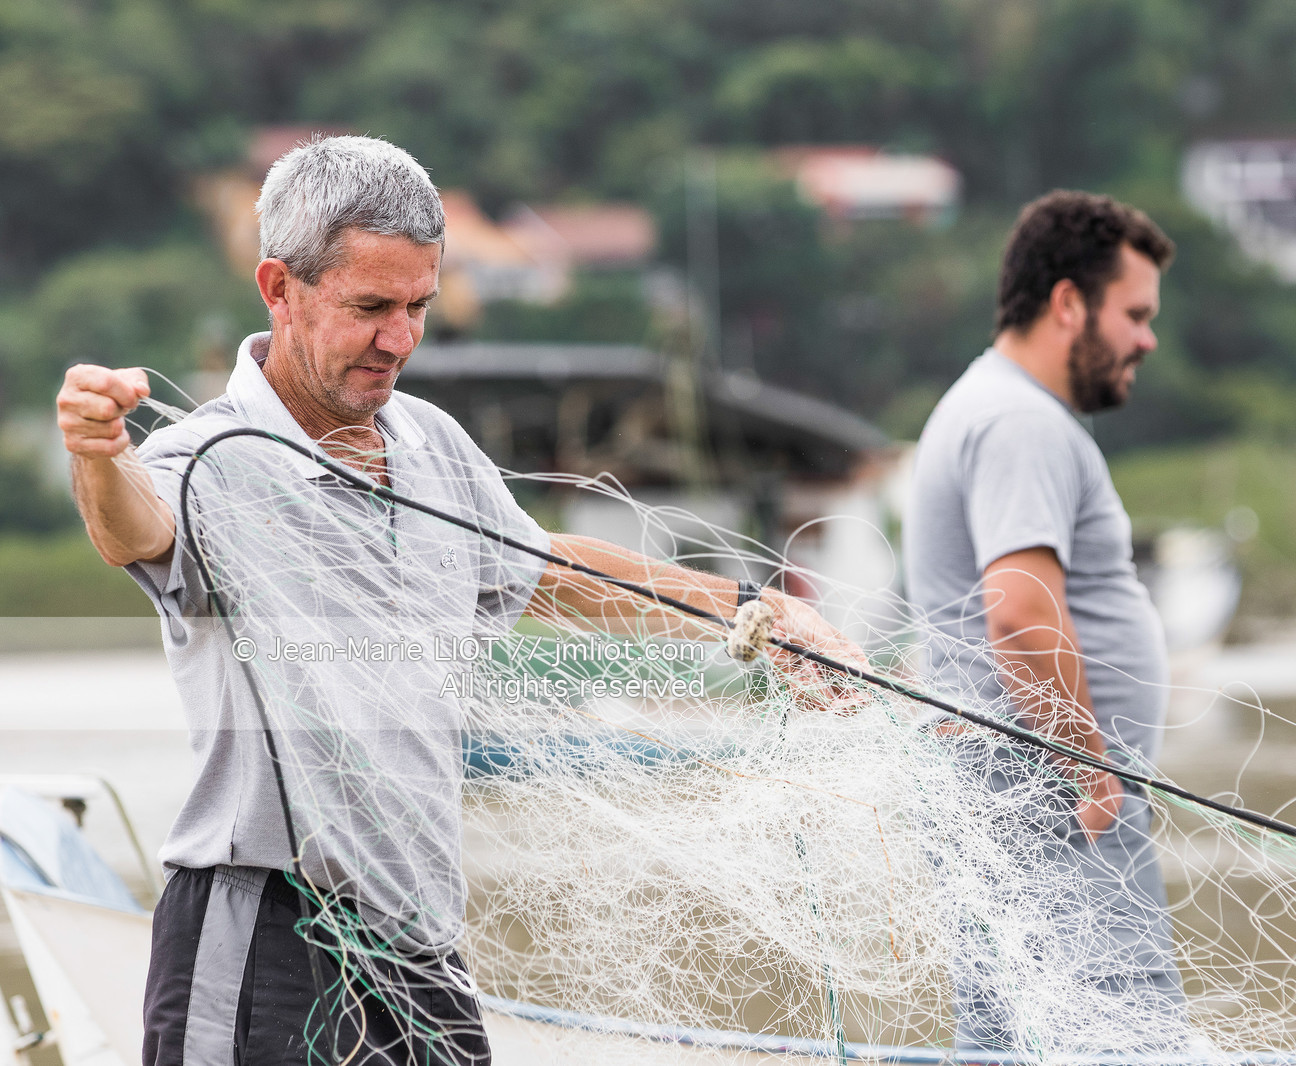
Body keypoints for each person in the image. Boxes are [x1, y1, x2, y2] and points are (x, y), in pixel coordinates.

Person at [55, 135, 858, 1066]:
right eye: (370, 308)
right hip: (263, 931)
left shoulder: (432, 443)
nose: (400, 339)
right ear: (280, 289)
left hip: (421, 945)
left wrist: (758, 613)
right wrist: (96, 453)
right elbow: (132, 529)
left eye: (419, 307)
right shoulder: (204, 457)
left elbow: (553, 571)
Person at [903, 190, 1185, 1052]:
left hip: (1006, 812)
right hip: (1056, 813)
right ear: (1068, 303)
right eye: (1135, 315)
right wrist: (1091, 773)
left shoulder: (987, 406)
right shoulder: (1021, 422)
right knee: (1125, 1041)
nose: (1148, 339)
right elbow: (1021, 614)